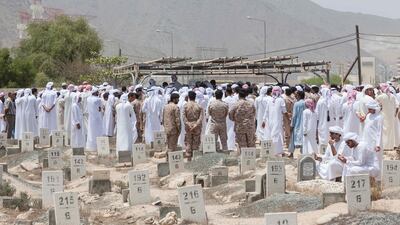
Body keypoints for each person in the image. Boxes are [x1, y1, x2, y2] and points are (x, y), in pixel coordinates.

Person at [262, 86, 287, 156]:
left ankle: (279, 151)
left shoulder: (270, 100)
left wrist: (264, 120)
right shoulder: (280, 100)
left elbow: (266, 111)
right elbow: (284, 111)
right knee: (275, 135)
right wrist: (287, 119)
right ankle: (274, 152)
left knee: (277, 135)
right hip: (277, 121)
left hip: (270, 121)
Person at [361, 100, 383, 179]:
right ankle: (369, 176)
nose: (369, 110)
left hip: (374, 141)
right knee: (368, 158)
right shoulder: (368, 115)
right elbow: (365, 128)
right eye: (368, 108)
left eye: (370, 108)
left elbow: (379, 131)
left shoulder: (379, 117)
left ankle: (378, 178)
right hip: (366, 140)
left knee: (376, 159)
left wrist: (378, 144)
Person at [376, 83, 397, 150]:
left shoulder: (381, 96)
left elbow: (376, 105)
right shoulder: (392, 96)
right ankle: (390, 146)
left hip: (384, 116)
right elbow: (396, 106)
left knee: (384, 131)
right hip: (391, 116)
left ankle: (385, 146)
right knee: (390, 131)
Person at [183, 91, 203, 159]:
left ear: (188, 97)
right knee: (196, 142)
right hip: (196, 126)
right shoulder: (199, 106)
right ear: (195, 97)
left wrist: (188, 124)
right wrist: (196, 125)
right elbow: (201, 118)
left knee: (188, 141)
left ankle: (188, 157)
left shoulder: (185, 106)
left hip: (188, 126)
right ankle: (195, 158)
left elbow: (184, 117)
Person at [288, 90, 305, 157]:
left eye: (296, 94)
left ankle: (291, 153)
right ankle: (303, 153)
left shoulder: (296, 104)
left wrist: (292, 125)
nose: (295, 96)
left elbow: (294, 116)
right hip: (304, 124)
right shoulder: (305, 103)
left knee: (293, 138)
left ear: (299, 95)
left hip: (297, 124)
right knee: (303, 139)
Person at [223, 86, 237, 151]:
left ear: (226, 92)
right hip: (233, 116)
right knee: (232, 130)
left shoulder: (225, 100)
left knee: (226, 130)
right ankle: (231, 145)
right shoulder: (234, 99)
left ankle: (226, 145)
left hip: (226, 116)